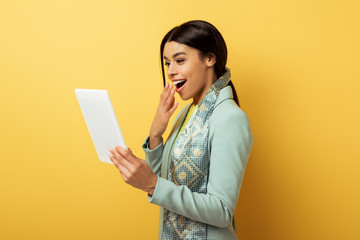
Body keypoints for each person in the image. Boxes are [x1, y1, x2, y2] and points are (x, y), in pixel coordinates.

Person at [109, 20, 253, 240]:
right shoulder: (186, 114)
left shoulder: (230, 119)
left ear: (210, 58)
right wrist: (156, 134)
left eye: (180, 60)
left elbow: (222, 210)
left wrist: (151, 183)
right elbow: (166, 185)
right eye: (168, 63)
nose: (171, 71)